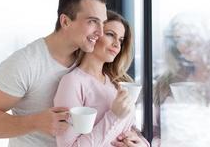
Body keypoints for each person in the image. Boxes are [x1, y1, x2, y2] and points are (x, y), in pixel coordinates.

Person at [0, 0, 108, 147]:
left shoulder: (88, 58)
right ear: (65, 21)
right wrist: (35, 122)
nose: (100, 32)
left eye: (103, 23)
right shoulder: (25, 64)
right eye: (93, 22)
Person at [54, 10, 149, 147]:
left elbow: (130, 130)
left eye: (121, 40)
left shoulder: (118, 83)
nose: (117, 44)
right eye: (111, 35)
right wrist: (114, 115)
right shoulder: (72, 83)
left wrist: (142, 144)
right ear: (93, 35)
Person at [152, 13, 210, 147]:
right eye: (179, 39)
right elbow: (154, 130)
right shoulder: (165, 82)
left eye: (190, 36)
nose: (186, 44)